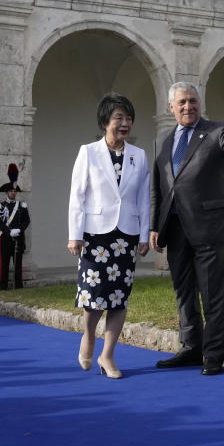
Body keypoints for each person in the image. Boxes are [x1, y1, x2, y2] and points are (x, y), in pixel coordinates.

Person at [150, 82, 224, 376]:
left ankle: (213, 353)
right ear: (171, 107)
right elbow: (159, 187)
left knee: (212, 293)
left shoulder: (215, 131)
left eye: (193, 101)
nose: (188, 107)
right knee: (184, 292)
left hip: (210, 227)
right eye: (182, 102)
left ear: (201, 104)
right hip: (174, 228)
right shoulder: (162, 140)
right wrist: (154, 225)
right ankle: (190, 347)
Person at [67, 93, 150, 379]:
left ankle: (108, 355)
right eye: (119, 118)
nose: (124, 124)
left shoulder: (138, 155)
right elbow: (77, 196)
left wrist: (142, 234)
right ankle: (89, 336)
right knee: (93, 296)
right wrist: (74, 234)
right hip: (95, 236)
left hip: (125, 235)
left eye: (129, 119)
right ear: (106, 121)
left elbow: (143, 199)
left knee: (119, 298)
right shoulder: (88, 152)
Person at [0, 163, 30, 290]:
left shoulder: (22, 205)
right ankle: (3, 287)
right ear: (7, 192)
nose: (13, 193)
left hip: (18, 238)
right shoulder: (0, 206)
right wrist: (9, 232)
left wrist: (19, 230)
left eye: (15, 191)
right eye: (11, 191)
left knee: (18, 265)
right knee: (4, 264)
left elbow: (27, 221)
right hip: (5, 239)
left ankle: (18, 287)